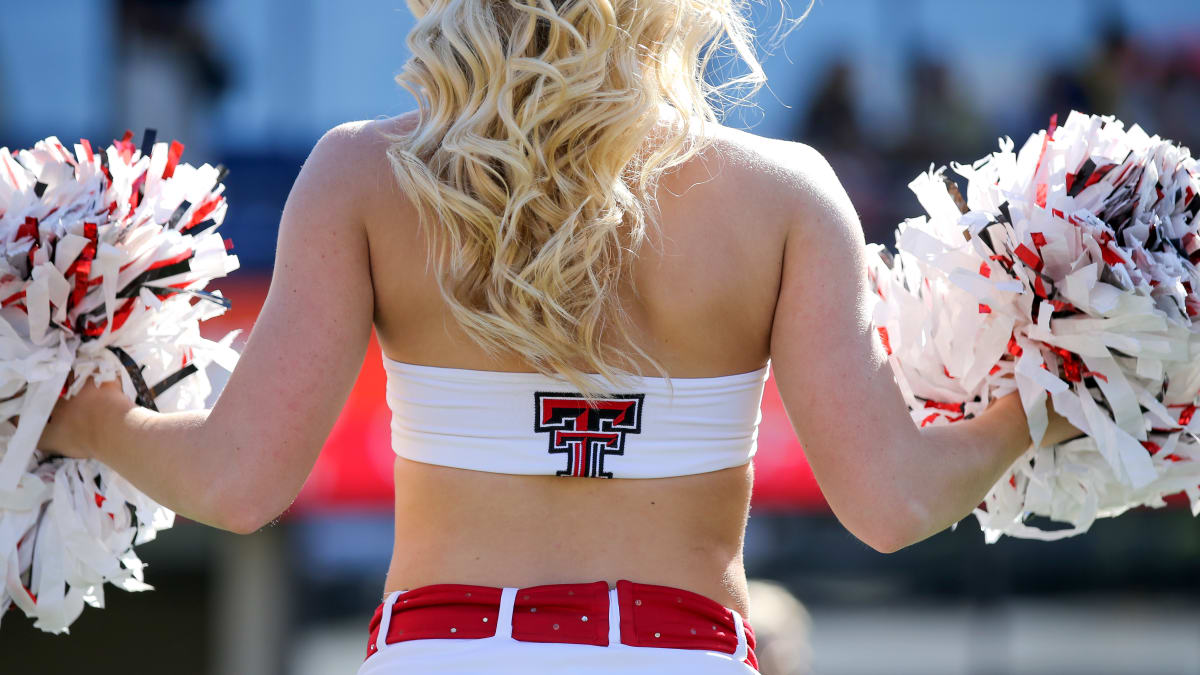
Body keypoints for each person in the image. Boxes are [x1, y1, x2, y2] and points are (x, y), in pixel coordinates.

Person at [37, 0, 1079, 671]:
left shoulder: (361, 176)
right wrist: (1053, 393)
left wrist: (82, 418)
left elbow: (238, 483)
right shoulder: (784, 196)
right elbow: (890, 502)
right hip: (680, 654)